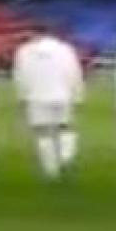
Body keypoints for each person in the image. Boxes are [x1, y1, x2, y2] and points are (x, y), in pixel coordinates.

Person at [13, 27, 84, 180]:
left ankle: (50, 170)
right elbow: (74, 73)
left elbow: (21, 77)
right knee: (65, 127)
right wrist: (77, 95)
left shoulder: (24, 51)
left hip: (37, 96)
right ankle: (66, 156)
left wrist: (22, 97)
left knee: (42, 132)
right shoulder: (65, 49)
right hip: (62, 95)